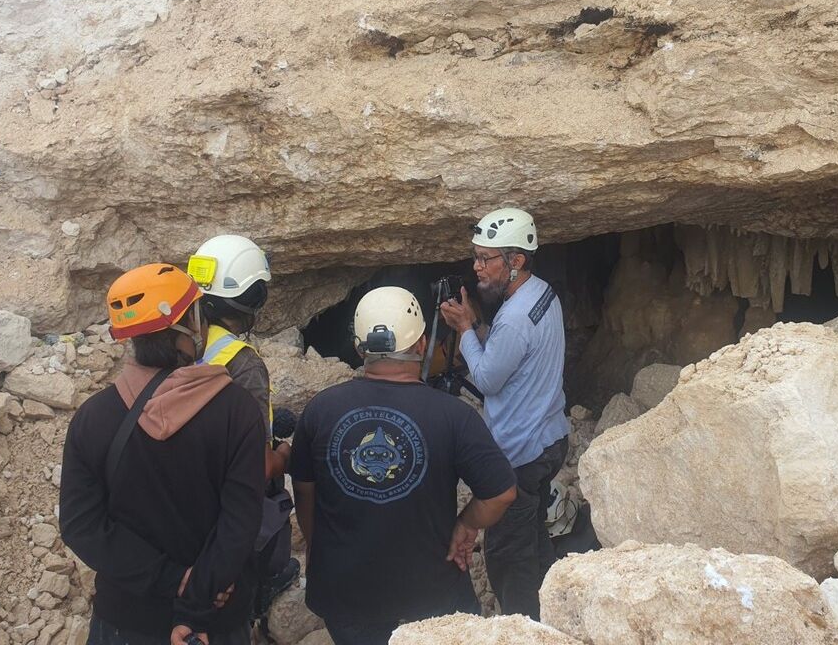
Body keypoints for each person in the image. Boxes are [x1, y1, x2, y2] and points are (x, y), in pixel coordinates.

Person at [290, 286, 516, 645]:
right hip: (431, 595)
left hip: (345, 594)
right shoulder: (454, 416)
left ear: (359, 348)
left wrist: (326, 551)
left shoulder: (320, 411)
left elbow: (304, 493)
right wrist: (465, 524)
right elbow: (501, 492)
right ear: (423, 344)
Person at [59, 264, 265, 645]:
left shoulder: (93, 418)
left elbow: (81, 525)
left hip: (125, 619)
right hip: (215, 618)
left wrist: (171, 578)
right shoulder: (237, 409)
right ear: (186, 324)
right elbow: (241, 520)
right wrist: (197, 592)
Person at [439, 207, 570, 620]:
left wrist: (463, 330)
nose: (477, 267)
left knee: (508, 556)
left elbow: (486, 377)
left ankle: (524, 625)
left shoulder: (513, 319)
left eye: (485, 259)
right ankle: (555, 608)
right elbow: (506, 354)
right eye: (476, 257)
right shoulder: (543, 294)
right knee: (532, 534)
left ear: (516, 261)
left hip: (520, 454)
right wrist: (477, 324)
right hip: (550, 438)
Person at [186, 235, 297, 620]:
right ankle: (260, 587)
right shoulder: (243, 363)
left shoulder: (179, 345)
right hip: (232, 511)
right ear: (253, 301)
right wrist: (284, 455)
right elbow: (256, 466)